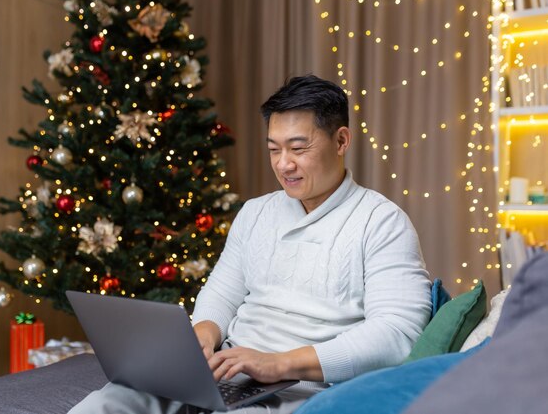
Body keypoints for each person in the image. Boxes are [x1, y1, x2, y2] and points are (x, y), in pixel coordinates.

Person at [69, 74, 432, 414]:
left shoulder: (381, 221)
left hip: (302, 387)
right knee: (107, 403)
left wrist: (279, 363)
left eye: (298, 148)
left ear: (341, 141)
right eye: (274, 149)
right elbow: (223, 293)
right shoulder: (256, 213)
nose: (284, 164)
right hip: (229, 370)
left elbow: (397, 334)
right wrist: (203, 335)